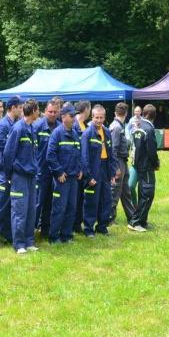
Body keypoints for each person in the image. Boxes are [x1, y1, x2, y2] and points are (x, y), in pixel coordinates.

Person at [4, 99, 40, 253]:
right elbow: (8, 153)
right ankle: (19, 244)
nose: (39, 113)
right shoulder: (17, 129)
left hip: (31, 176)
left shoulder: (31, 129)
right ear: (33, 111)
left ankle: (29, 241)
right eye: (38, 110)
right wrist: (9, 175)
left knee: (31, 209)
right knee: (19, 210)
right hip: (19, 176)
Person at [0, 96, 22, 250]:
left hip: (12, 171)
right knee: (0, 204)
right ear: (13, 107)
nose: (21, 110)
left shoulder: (15, 124)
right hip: (3, 171)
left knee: (10, 205)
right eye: (20, 107)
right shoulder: (2, 125)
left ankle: (8, 235)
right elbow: (5, 150)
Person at [46, 105, 82, 244]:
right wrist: (58, 172)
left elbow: (78, 153)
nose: (74, 119)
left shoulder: (74, 133)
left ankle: (67, 235)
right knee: (59, 208)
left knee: (71, 208)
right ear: (63, 117)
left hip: (73, 178)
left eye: (74, 116)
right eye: (71, 116)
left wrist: (79, 169)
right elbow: (50, 155)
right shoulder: (57, 133)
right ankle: (54, 237)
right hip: (61, 179)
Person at [80, 104, 118, 238]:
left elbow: (111, 154)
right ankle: (89, 229)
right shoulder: (87, 134)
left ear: (105, 118)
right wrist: (88, 176)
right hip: (93, 170)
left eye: (101, 118)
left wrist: (112, 173)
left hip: (105, 170)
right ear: (92, 117)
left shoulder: (107, 132)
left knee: (106, 199)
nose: (99, 120)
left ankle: (102, 227)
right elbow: (84, 157)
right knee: (91, 200)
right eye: (96, 117)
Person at [128, 104, 160, 232]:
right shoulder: (149, 129)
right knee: (147, 194)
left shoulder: (137, 126)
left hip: (137, 164)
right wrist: (156, 163)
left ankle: (143, 221)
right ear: (153, 116)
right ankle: (135, 222)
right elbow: (151, 150)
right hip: (146, 166)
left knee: (143, 192)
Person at [33, 100, 61, 236]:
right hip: (40, 171)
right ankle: (31, 231)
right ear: (45, 111)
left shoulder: (60, 128)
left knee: (50, 202)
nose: (52, 114)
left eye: (55, 112)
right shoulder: (37, 126)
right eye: (50, 111)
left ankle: (45, 230)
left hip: (54, 172)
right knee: (37, 203)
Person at [109, 102, 135, 225]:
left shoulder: (119, 126)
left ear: (115, 112)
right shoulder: (117, 127)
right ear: (126, 114)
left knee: (126, 191)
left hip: (122, 161)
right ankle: (109, 217)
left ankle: (132, 216)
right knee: (115, 190)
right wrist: (115, 168)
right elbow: (113, 149)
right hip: (118, 161)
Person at [72, 100, 92, 233]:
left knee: (80, 197)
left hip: (83, 167)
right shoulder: (74, 125)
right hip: (76, 168)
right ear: (86, 109)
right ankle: (74, 224)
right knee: (75, 198)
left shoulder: (84, 125)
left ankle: (78, 223)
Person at [126, 106, 143, 204]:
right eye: (135, 111)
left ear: (140, 112)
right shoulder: (131, 120)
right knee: (130, 185)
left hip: (142, 162)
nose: (137, 112)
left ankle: (141, 206)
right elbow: (127, 129)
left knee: (142, 188)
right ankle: (134, 205)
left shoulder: (144, 121)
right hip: (133, 146)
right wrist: (129, 138)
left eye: (138, 111)